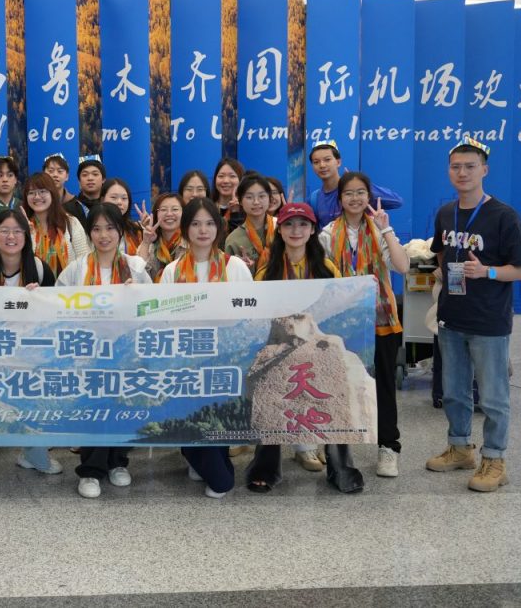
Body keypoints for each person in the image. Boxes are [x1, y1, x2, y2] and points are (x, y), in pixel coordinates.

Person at [425, 137, 521, 492]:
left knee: (494, 396)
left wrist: (488, 272)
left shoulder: (504, 216)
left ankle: (495, 459)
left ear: (484, 169)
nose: (462, 173)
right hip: (451, 317)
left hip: (488, 321)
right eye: (456, 167)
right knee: (454, 391)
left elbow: (520, 270)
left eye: (470, 166)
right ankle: (460, 448)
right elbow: (441, 253)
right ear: (448, 171)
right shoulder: (445, 213)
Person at [246, 202, 364, 495]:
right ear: (280, 231)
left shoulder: (326, 268)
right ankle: (266, 468)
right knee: (271, 399)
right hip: (280, 347)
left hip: (318, 346)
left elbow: (341, 307)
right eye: (288, 224)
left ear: (312, 230)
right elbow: (257, 314)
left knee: (333, 399)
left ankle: (340, 467)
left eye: (302, 224)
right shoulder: (268, 270)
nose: (295, 230)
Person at [0, 209, 63, 492]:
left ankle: (35, 456)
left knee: (35, 402)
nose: (11, 237)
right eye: (4, 231)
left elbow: (56, 317)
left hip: (29, 358)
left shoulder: (39, 269)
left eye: (17, 231)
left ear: (27, 237)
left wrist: (40, 301)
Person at [319, 171, 409, 478]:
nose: (355, 198)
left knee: (383, 385)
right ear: (340, 199)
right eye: (349, 193)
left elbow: (402, 266)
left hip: (380, 319)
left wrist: (387, 230)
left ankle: (388, 447)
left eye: (361, 192)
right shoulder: (328, 234)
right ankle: (339, 451)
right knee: (339, 386)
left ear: (369, 197)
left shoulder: (379, 229)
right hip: (342, 324)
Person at [57, 203, 150, 498]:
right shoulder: (77, 269)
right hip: (89, 355)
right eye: (96, 229)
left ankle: (118, 462)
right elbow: (57, 305)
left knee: (123, 407)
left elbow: (152, 309)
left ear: (121, 231)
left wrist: (137, 297)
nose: (103, 235)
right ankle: (91, 470)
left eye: (110, 228)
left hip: (126, 354)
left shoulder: (136, 267)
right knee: (94, 411)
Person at [162, 198, 253, 498]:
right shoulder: (172, 270)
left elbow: (250, 314)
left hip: (226, 359)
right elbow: (163, 319)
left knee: (217, 420)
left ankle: (205, 464)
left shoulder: (234, 267)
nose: (203, 230)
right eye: (196, 224)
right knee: (191, 418)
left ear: (219, 227)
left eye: (210, 223)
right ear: (185, 228)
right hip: (185, 361)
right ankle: (194, 456)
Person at [306, 140, 402, 227]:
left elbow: (396, 201)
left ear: (338, 162)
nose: (322, 165)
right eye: (316, 162)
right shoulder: (314, 199)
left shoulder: (358, 190)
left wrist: (360, 185)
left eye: (327, 160)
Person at [23, 172, 88, 277]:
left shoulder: (71, 222)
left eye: (42, 191)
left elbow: (84, 260)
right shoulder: (22, 225)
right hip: (34, 286)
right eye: (31, 193)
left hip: (68, 285)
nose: (37, 197)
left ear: (52, 194)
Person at [224, 174, 276, 275]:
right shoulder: (233, 240)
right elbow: (230, 276)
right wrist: (242, 269)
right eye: (249, 197)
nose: (256, 202)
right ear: (240, 201)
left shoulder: (281, 229)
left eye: (261, 196)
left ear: (269, 198)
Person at [138, 192, 186, 282]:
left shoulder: (191, 244)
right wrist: (146, 242)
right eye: (163, 209)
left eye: (175, 209)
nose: (169, 214)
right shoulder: (149, 244)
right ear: (156, 214)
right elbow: (139, 275)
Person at [101, 178, 143, 255]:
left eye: (124, 198)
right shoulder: (95, 229)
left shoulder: (136, 230)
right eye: (113, 197)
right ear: (102, 199)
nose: (119, 202)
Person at [63, 155, 105, 222]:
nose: (90, 178)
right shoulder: (68, 209)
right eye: (85, 175)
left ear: (103, 179)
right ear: (79, 181)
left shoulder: (110, 205)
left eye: (95, 174)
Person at [43, 153, 82, 223]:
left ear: (67, 176)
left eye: (60, 171)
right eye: (51, 171)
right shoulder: (38, 201)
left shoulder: (76, 205)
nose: (55, 175)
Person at [211, 157, 245, 232]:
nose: (226, 181)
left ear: (240, 180)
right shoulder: (208, 207)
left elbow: (240, 236)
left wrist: (236, 213)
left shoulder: (247, 209)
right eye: (221, 176)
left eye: (232, 176)